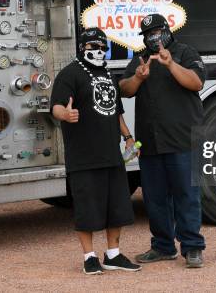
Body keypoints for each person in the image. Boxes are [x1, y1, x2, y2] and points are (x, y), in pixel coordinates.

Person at [51, 27, 142, 275]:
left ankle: (112, 254)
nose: (99, 51)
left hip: (112, 155)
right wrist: (66, 115)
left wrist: (129, 138)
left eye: (103, 48)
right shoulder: (69, 74)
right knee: (87, 208)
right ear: (83, 48)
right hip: (83, 156)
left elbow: (116, 111)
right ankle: (89, 257)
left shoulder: (109, 75)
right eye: (94, 47)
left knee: (118, 207)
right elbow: (56, 107)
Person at [119, 13, 206, 268]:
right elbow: (124, 89)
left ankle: (192, 248)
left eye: (157, 33)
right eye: (148, 35)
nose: (153, 38)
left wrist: (170, 64)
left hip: (184, 140)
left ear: (167, 31)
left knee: (187, 196)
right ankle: (163, 247)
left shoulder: (185, 52)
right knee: (155, 199)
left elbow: (196, 82)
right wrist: (138, 77)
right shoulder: (140, 58)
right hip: (151, 142)